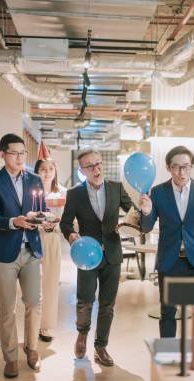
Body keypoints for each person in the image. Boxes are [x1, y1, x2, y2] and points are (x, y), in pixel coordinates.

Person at [0, 133, 51, 378]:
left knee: (34, 302)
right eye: (15, 152)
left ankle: (31, 348)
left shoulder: (34, 179)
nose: (20, 157)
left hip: (31, 250)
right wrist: (15, 221)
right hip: (5, 254)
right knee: (7, 308)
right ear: (2, 154)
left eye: (23, 153)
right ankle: (10, 357)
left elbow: (41, 209)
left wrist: (46, 221)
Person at [139, 145, 194, 338]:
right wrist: (145, 211)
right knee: (168, 313)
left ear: (192, 166)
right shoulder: (158, 192)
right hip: (169, 261)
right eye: (176, 167)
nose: (181, 172)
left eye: (186, 166)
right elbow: (146, 227)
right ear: (169, 168)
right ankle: (167, 355)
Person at [60, 149, 134, 366]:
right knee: (85, 299)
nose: (96, 168)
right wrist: (71, 234)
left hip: (112, 254)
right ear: (82, 170)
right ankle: (82, 334)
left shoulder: (116, 187)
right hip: (87, 255)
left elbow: (132, 213)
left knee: (107, 304)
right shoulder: (75, 194)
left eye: (98, 164)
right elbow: (65, 223)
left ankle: (101, 346)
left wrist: (141, 214)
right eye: (90, 166)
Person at [34, 158, 67, 343]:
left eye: (51, 168)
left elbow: (67, 219)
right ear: (37, 171)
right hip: (32, 238)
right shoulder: (30, 191)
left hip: (52, 239)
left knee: (50, 284)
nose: (47, 172)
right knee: (32, 286)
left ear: (55, 171)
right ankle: (33, 323)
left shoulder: (62, 192)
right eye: (43, 169)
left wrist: (54, 226)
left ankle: (47, 326)